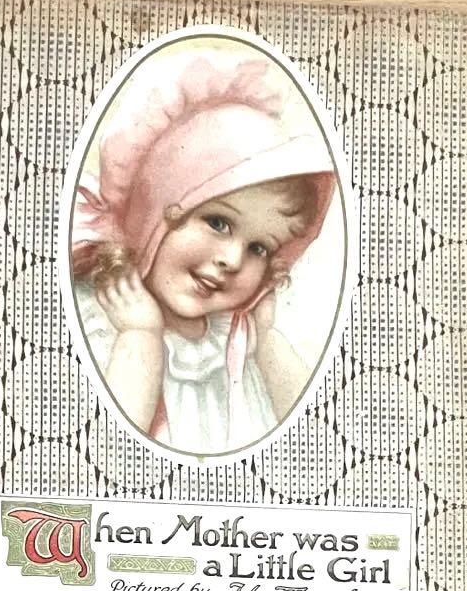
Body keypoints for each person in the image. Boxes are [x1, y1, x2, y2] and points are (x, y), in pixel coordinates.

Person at [71, 50, 336, 456]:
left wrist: (267, 338)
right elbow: (108, 453)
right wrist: (140, 336)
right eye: (218, 223)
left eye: (259, 248)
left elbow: (314, 435)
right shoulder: (102, 317)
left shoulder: (235, 332)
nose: (233, 260)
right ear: (157, 214)